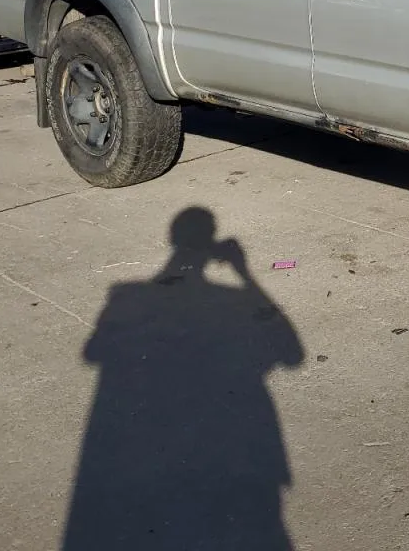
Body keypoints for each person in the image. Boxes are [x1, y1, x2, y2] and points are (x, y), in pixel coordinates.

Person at [62, 207, 304, 550]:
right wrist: (244, 272)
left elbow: (92, 353)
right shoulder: (231, 299)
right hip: (233, 440)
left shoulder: (126, 295)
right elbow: (292, 354)